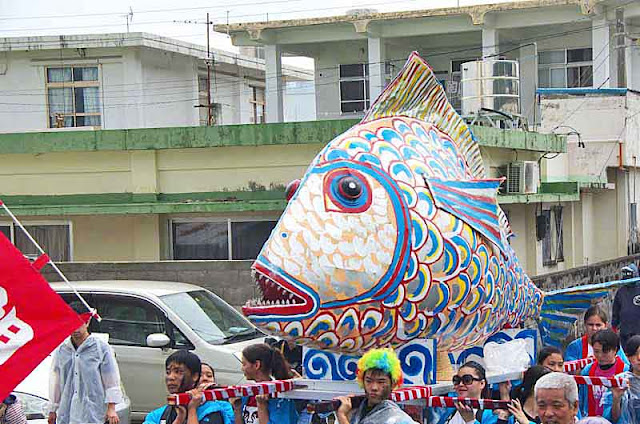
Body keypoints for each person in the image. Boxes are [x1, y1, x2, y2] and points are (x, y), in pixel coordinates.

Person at [48, 319, 123, 424]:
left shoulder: (101, 348)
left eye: (79, 323)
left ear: (87, 323)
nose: (75, 329)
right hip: (67, 410)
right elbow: (56, 381)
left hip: (92, 410)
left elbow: (111, 380)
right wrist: (53, 409)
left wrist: (111, 407)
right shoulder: (62, 350)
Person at [143, 350, 234, 424]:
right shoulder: (157, 415)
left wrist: (192, 410)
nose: (170, 377)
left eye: (178, 372)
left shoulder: (212, 411)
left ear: (195, 376)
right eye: (168, 372)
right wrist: (179, 419)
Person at [334, 348, 416, 424]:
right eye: (368, 381)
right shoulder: (358, 410)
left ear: (393, 384)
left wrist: (342, 416)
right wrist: (348, 414)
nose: (374, 388)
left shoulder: (398, 419)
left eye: (381, 382)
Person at [232, 343, 298, 424]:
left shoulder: (280, 396)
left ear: (257, 365)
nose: (242, 368)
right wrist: (237, 409)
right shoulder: (248, 393)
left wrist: (262, 406)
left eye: (244, 364)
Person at [429, 361, 509, 424]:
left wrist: (471, 421)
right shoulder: (450, 410)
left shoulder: (491, 414)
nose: (460, 384)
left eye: (467, 380)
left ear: (482, 384)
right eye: (457, 380)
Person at [578, 329, 629, 421]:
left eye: (605, 352)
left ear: (615, 350)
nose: (600, 356)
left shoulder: (625, 372)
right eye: (596, 351)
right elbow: (581, 399)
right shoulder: (587, 371)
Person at [611, 335, 640, 423]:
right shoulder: (619, 381)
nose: (639, 358)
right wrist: (616, 399)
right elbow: (613, 419)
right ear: (627, 356)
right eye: (635, 354)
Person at [612, 264, 640, 350]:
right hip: (625, 333)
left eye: (629, 273)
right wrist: (614, 327)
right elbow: (615, 311)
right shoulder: (621, 292)